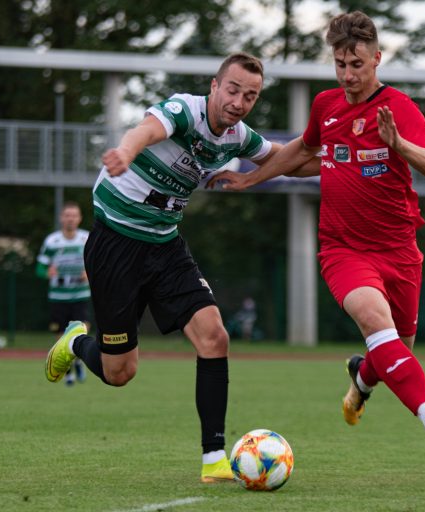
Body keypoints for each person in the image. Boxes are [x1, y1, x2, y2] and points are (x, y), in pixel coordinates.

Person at [209, 12, 425, 448]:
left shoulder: (399, 108)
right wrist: (251, 178)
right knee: (374, 322)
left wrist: (398, 144)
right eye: (340, 64)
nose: (348, 75)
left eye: (357, 65)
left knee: (395, 351)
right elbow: (301, 152)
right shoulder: (326, 105)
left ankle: (360, 381)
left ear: (377, 59)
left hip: (400, 251)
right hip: (344, 250)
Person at [44, 52, 292, 482]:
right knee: (120, 372)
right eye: (232, 90)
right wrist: (124, 150)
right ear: (214, 86)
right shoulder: (184, 110)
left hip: (165, 245)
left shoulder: (238, 137)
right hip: (116, 243)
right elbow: (147, 129)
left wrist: (336, 162)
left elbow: (285, 157)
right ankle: (77, 342)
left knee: (215, 336)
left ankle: (214, 457)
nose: (239, 101)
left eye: (250, 96)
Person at [36, 201, 90, 386]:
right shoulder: (52, 241)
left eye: (74, 215)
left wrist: (89, 273)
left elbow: (98, 265)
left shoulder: (86, 239)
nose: (70, 219)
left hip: (81, 295)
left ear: (79, 218)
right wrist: (47, 272)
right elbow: (39, 269)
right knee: (60, 337)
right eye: (67, 215)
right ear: (61, 218)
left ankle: (79, 362)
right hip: (58, 297)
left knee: (82, 331)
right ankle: (68, 372)